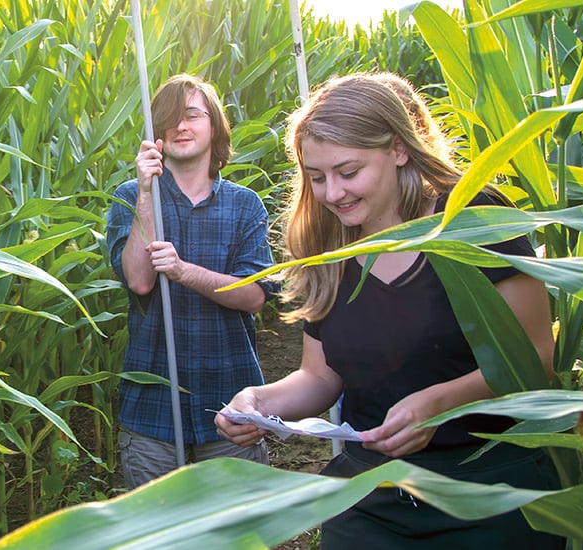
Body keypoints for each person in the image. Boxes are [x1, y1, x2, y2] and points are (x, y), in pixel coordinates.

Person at [214, 73, 563, 548]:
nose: (332, 193)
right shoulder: (326, 247)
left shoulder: (473, 218)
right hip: (370, 494)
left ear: (399, 149)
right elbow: (319, 378)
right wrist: (259, 403)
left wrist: (438, 403)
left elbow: (535, 359)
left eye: (348, 171)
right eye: (316, 177)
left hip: (488, 488)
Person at [104, 73, 277, 488]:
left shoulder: (244, 205)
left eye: (193, 115)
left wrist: (183, 271)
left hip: (231, 403)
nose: (182, 126)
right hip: (153, 412)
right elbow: (140, 282)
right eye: (171, 118)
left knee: (241, 535)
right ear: (158, 134)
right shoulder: (130, 196)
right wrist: (146, 191)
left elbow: (254, 296)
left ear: (213, 126)